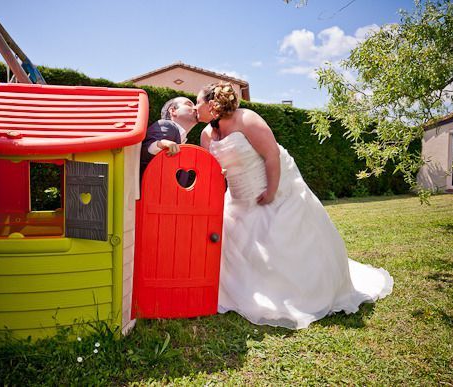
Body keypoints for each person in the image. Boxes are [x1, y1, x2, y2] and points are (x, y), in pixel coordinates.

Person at [196, 82, 393, 329]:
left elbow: (271, 155)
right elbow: (210, 170)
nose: (195, 107)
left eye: (198, 102)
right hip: (236, 197)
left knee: (278, 238)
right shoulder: (205, 134)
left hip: (269, 187)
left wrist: (271, 191)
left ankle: (297, 292)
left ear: (212, 104)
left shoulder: (247, 119)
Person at [140, 97, 198, 177]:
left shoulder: (183, 140)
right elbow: (143, 153)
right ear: (173, 111)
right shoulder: (167, 125)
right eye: (189, 104)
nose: (195, 108)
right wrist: (161, 144)